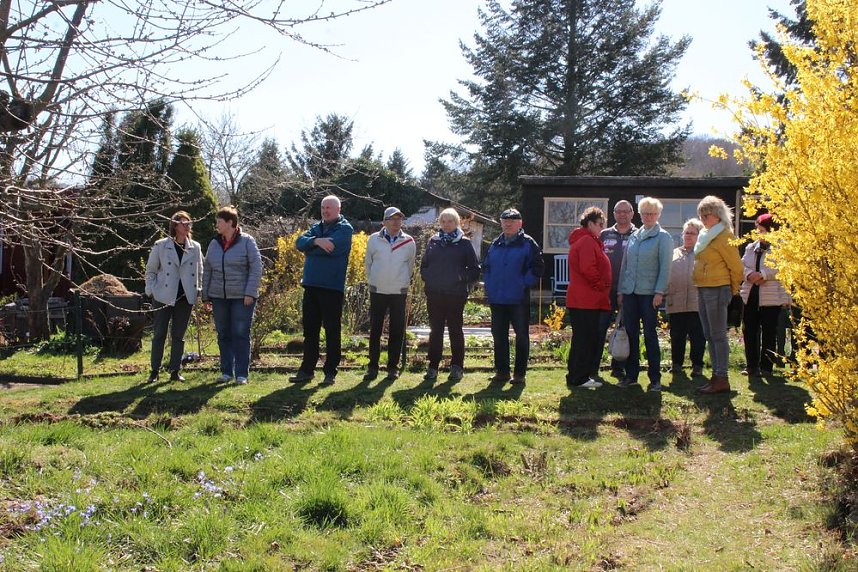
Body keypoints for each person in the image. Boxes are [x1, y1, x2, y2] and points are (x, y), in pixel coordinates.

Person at [290, 195, 354, 386]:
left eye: (329, 208)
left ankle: (330, 372)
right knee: (310, 331)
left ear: (338, 209)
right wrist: (317, 242)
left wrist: (311, 246)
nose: (325, 210)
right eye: (323, 207)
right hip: (311, 285)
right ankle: (307, 370)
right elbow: (299, 243)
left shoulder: (345, 229)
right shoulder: (316, 228)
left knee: (332, 331)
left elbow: (332, 248)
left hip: (331, 288)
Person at [482, 208, 544, 385]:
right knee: (499, 336)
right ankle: (502, 372)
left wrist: (523, 283)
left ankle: (519, 374)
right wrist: (490, 285)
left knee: (522, 336)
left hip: (518, 298)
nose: (508, 224)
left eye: (512, 221)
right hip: (497, 298)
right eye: (505, 221)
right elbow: (486, 267)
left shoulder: (528, 243)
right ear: (501, 223)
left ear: (520, 223)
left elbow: (538, 267)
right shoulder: (495, 244)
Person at [617, 197, 673, 392]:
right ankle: (631, 376)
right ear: (639, 215)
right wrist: (621, 290)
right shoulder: (634, 236)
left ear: (657, 215)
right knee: (631, 334)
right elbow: (625, 265)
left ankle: (655, 379)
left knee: (650, 335)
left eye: (652, 213)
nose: (648, 216)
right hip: (630, 293)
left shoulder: (663, 237)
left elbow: (666, 268)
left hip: (650, 294)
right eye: (645, 213)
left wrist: (659, 292)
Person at [202, 205, 263, 385]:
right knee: (223, 334)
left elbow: (256, 267)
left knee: (240, 333)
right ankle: (226, 372)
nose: (217, 225)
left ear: (230, 223)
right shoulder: (214, 243)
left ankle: (242, 374)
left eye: (219, 222)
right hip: (219, 297)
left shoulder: (247, 241)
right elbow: (207, 270)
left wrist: (250, 292)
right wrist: (205, 296)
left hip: (242, 297)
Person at [420, 208, 481, 383]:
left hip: (455, 295)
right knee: (435, 331)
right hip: (435, 294)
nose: (446, 225)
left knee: (455, 330)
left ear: (457, 223)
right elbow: (424, 266)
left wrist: (459, 277)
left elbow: (475, 271)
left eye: (450, 221)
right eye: (443, 221)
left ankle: (457, 367)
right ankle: (433, 367)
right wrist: (429, 278)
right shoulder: (434, 241)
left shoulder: (464, 243)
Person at [144, 211, 203, 383]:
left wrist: (198, 290)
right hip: (163, 296)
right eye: (184, 223)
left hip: (185, 297)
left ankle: (175, 370)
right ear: (175, 225)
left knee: (178, 335)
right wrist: (152, 290)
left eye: (189, 223)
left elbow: (200, 271)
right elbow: (151, 270)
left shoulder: (195, 247)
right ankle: (154, 371)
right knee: (159, 334)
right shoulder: (160, 245)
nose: (187, 226)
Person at [693, 195, 744, 394]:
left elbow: (737, 268)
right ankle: (716, 376)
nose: (703, 219)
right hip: (703, 287)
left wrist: (731, 291)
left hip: (717, 288)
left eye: (707, 215)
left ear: (717, 215)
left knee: (718, 335)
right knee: (709, 335)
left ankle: (721, 377)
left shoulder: (725, 236)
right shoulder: (706, 235)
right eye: (701, 215)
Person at [363, 206, 416, 382]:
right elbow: (368, 263)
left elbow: (410, 266)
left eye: (399, 219)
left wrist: (402, 283)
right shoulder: (373, 240)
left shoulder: (409, 241)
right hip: (377, 290)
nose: (396, 222)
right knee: (375, 330)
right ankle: (372, 367)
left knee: (396, 331)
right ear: (384, 221)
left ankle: (392, 367)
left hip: (398, 292)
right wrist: (373, 281)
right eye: (392, 219)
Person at [740, 213, 791, 376]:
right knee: (749, 330)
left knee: (769, 332)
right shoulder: (750, 248)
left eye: (762, 230)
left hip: (771, 298)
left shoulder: (780, 248)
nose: (759, 234)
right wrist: (750, 275)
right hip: (751, 295)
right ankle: (751, 366)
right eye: (758, 230)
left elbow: (780, 269)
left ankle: (766, 367)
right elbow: (742, 266)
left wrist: (762, 274)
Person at [566, 207, 612, 389]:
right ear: (591, 223)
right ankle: (579, 378)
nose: (602, 228)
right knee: (584, 338)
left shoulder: (587, 240)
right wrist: (601, 285)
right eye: (600, 224)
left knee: (582, 338)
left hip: (585, 298)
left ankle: (577, 376)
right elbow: (588, 268)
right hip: (585, 299)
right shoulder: (586, 241)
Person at [595, 200, 637, 379]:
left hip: (629, 290)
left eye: (625, 211)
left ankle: (619, 367)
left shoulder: (638, 235)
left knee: (626, 329)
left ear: (632, 214)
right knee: (600, 328)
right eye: (618, 212)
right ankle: (593, 367)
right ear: (614, 214)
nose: (622, 215)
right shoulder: (604, 235)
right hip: (606, 290)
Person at [666, 218, 706, 378]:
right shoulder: (673, 253)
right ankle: (676, 364)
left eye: (692, 233)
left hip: (697, 303)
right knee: (676, 335)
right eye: (686, 233)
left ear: (699, 235)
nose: (688, 236)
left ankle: (697, 366)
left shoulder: (703, 253)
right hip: (676, 301)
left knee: (698, 336)